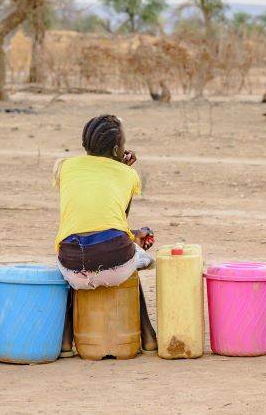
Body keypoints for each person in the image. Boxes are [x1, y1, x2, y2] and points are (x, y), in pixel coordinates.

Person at [54, 114, 157, 354]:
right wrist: (122, 169)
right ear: (116, 149)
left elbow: (88, 214)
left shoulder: (65, 167)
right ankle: (149, 336)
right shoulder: (128, 174)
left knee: (72, 247)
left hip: (73, 269)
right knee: (133, 259)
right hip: (116, 267)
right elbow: (119, 221)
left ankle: (66, 340)